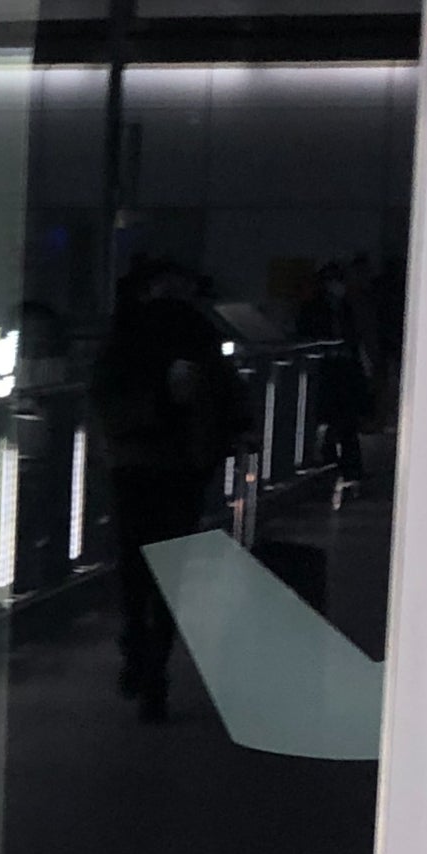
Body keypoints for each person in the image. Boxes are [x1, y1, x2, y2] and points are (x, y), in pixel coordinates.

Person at [89, 256, 249, 719]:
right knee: (171, 567)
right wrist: (238, 429)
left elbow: (103, 389)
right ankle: (156, 665)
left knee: (133, 560)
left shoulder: (126, 330)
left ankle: (135, 640)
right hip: (184, 464)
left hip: (132, 460)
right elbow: (227, 388)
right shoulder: (200, 329)